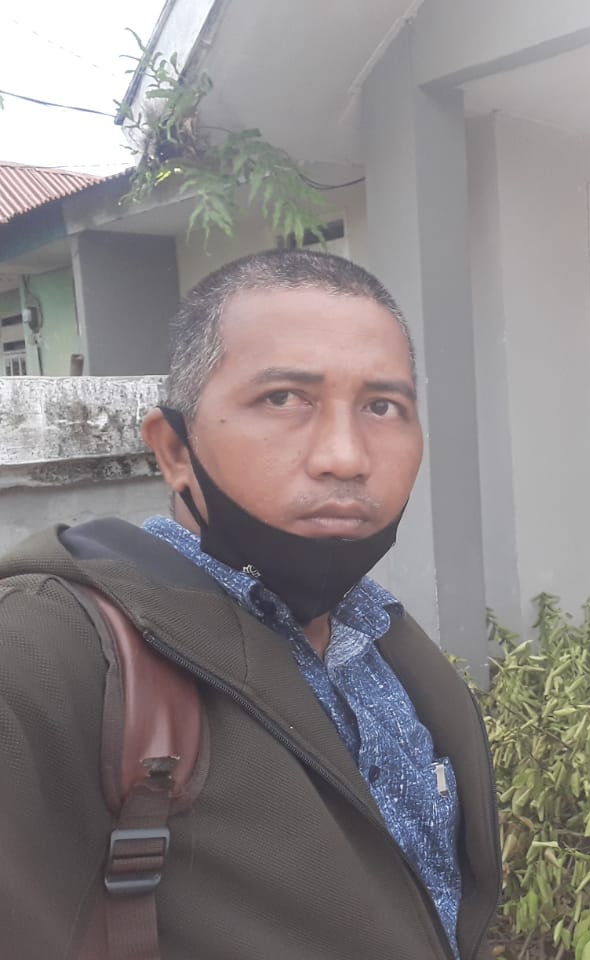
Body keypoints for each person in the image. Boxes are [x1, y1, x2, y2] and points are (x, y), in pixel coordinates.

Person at [0, 250, 500, 960]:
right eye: (284, 399)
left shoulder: (381, 638)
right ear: (174, 450)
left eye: (382, 407)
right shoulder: (52, 651)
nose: (346, 456)